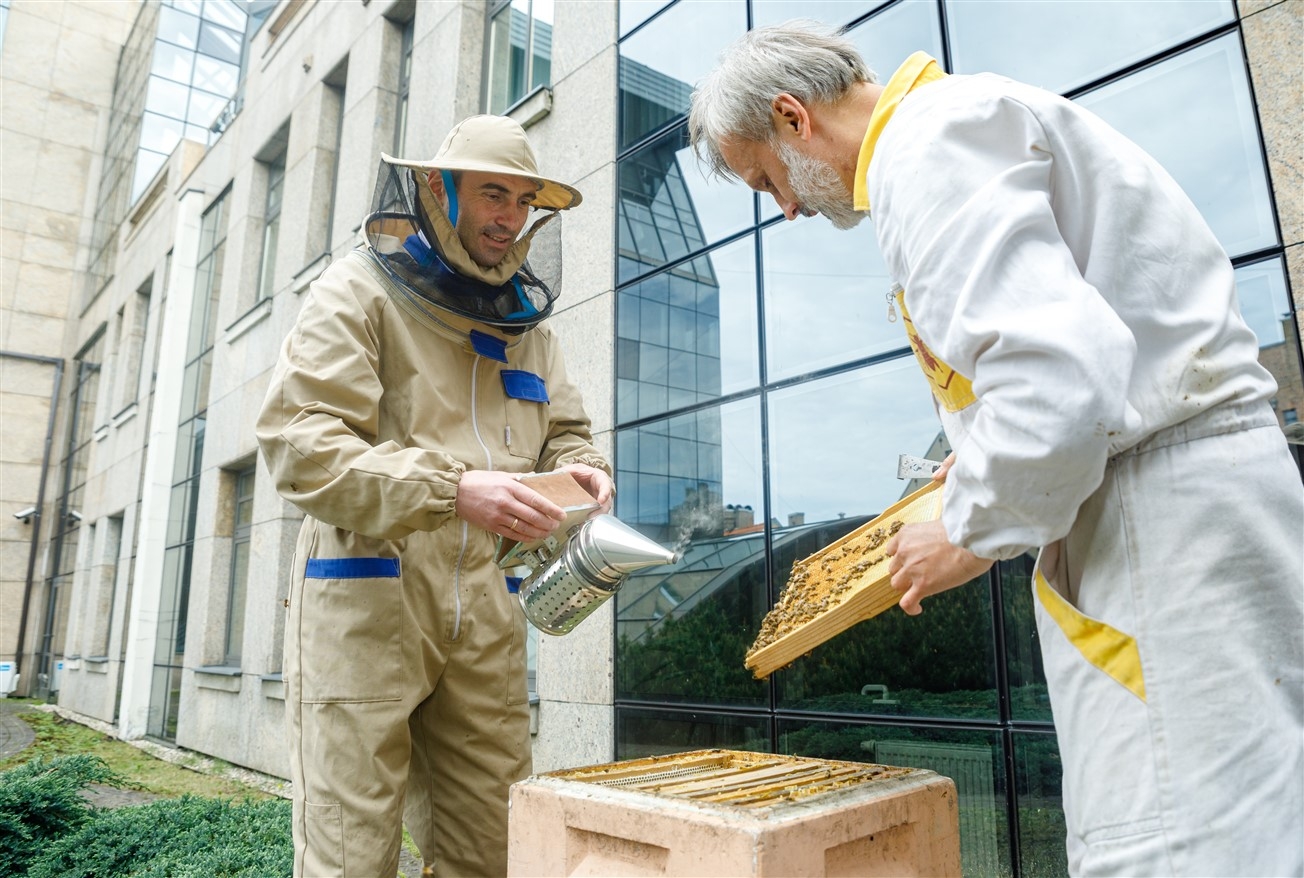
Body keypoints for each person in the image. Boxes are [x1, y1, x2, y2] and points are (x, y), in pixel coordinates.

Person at [689, 21, 1303, 877]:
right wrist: (974, 457)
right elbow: (1056, 363)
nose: (786, 207)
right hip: (1183, 495)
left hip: (1159, 521)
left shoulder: (926, 148)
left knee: (1175, 842)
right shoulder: (962, 124)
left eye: (766, 181)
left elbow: (1061, 380)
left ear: (792, 117)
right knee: (1252, 821)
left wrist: (969, 528)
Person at [256, 114, 613, 877]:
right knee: (351, 855)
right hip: (367, 601)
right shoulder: (358, 289)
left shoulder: (531, 332)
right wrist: (452, 489)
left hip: (486, 611)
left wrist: (585, 471)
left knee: (491, 851)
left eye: (523, 201)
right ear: (434, 189)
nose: (509, 217)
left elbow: (569, 433)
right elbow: (300, 445)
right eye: (491, 193)